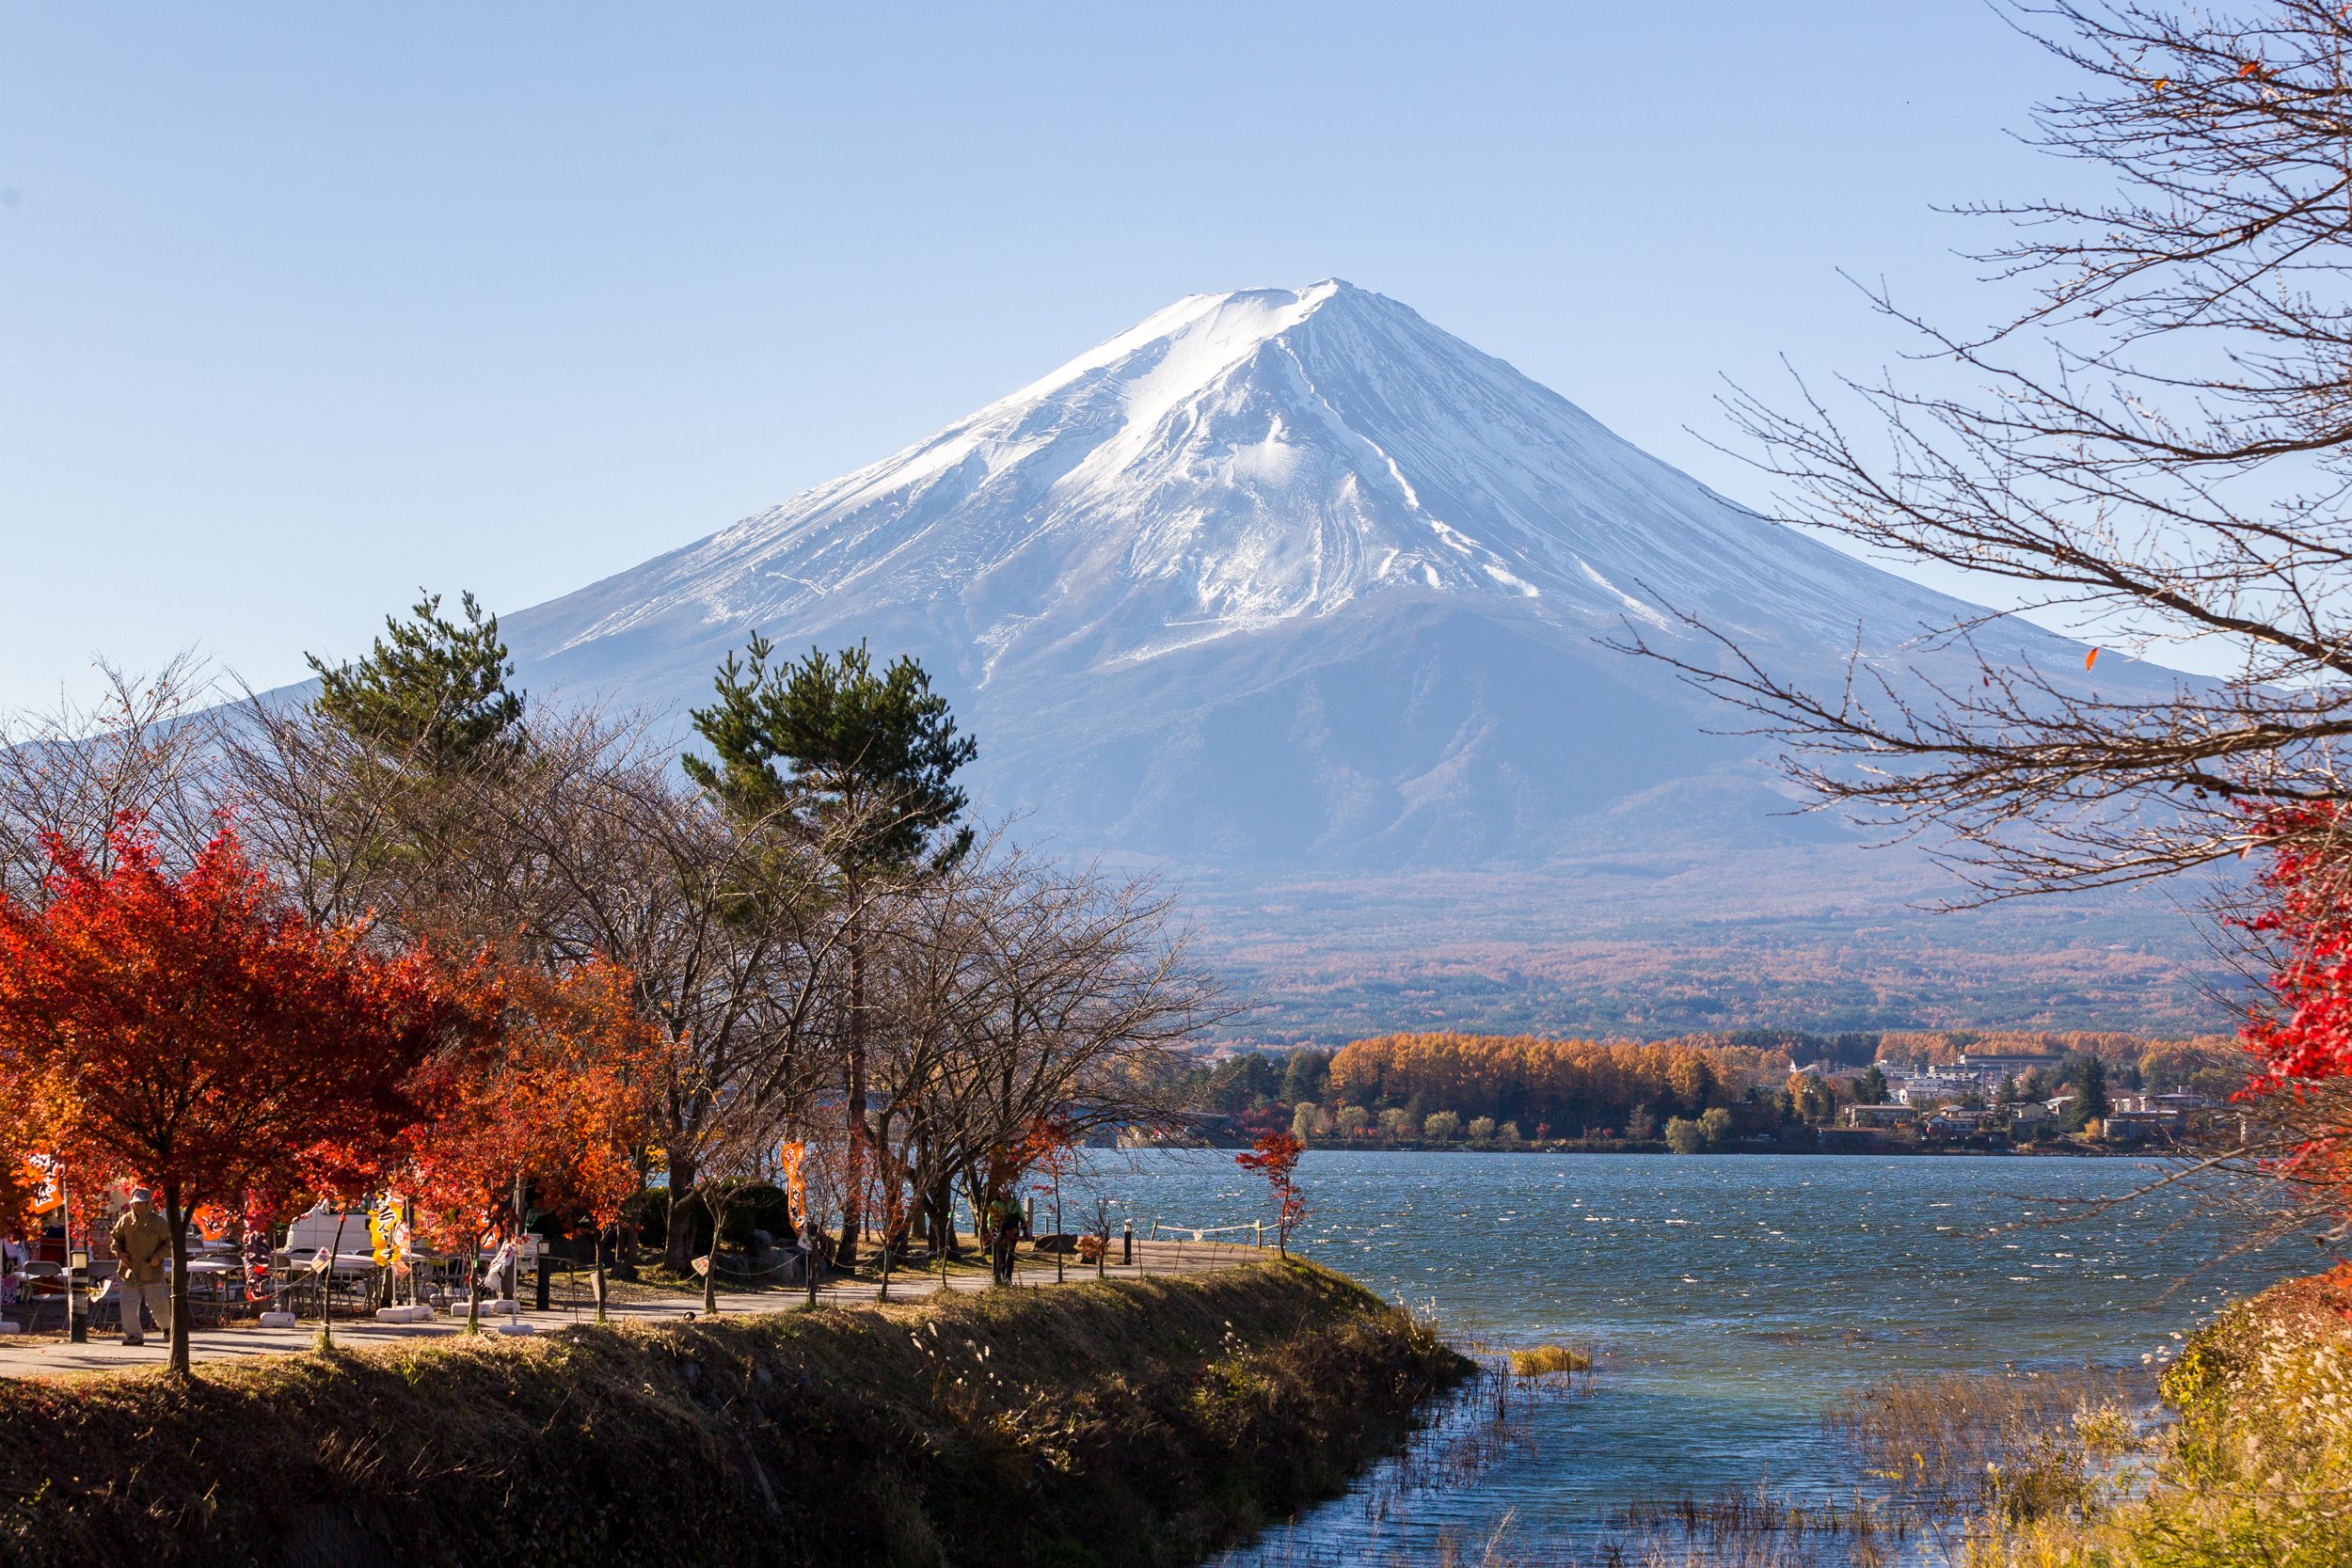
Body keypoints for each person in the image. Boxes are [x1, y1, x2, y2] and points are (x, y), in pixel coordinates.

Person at [109, 1188, 172, 1347]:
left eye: (141, 1203)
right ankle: (133, 1336)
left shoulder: (159, 1222)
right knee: (128, 1306)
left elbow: (168, 1244)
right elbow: (115, 1240)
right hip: (129, 1272)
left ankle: (167, 1328)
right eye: (135, 1203)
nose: (138, 1206)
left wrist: (159, 1256)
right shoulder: (125, 1220)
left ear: (148, 1203)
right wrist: (120, 1253)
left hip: (152, 1272)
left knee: (160, 1307)